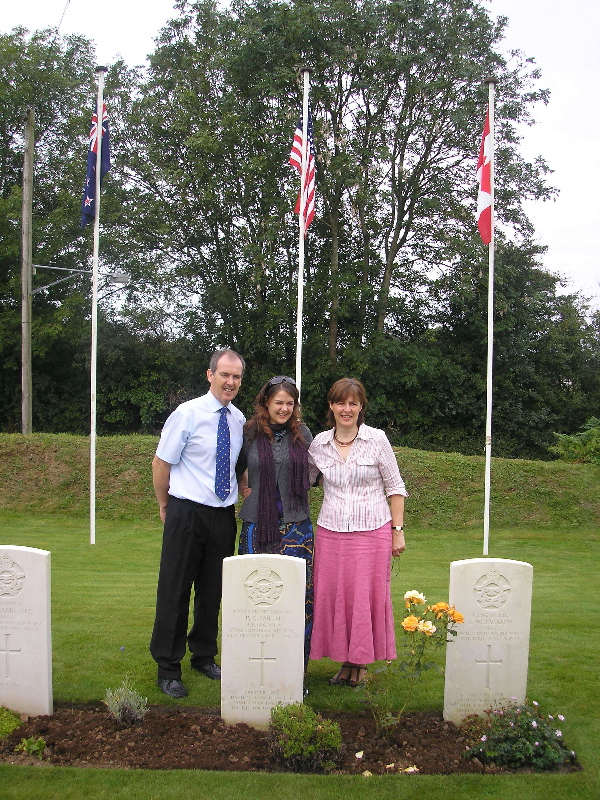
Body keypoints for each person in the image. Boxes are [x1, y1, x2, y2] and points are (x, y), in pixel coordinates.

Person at [150, 348, 246, 698]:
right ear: (210, 375)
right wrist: (165, 505)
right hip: (187, 511)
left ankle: (203, 656)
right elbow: (161, 463)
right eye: (224, 374)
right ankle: (168, 667)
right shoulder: (187, 414)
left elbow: (237, 466)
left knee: (212, 591)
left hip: (222, 516)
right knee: (175, 589)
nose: (230, 382)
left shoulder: (238, 419)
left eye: (236, 377)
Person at [307, 377, 407, 687]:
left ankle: (360, 663)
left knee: (364, 598)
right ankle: (344, 662)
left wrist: (398, 531)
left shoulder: (377, 439)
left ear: (361, 406)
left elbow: (395, 487)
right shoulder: (319, 444)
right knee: (337, 597)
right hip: (331, 533)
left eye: (353, 403)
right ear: (331, 406)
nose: (346, 409)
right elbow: (306, 478)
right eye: (340, 402)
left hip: (372, 532)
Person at [236, 376, 314, 665]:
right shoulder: (250, 432)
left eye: (290, 404)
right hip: (257, 525)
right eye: (279, 402)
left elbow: (319, 470)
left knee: (297, 598)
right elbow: (235, 466)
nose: (284, 409)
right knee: (254, 598)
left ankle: (295, 667)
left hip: (297, 527)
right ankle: (251, 664)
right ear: (266, 402)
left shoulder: (302, 433)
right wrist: (244, 486)